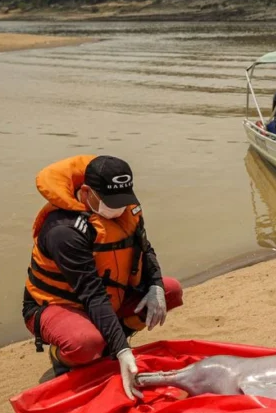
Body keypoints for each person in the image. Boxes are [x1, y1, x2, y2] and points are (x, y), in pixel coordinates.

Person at [22, 155, 184, 400]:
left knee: (170, 290)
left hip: (111, 297)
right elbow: (92, 294)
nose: (118, 208)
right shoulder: (63, 231)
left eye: (123, 200)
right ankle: (61, 355)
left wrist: (156, 286)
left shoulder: (129, 210)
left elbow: (145, 249)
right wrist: (123, 351)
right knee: (85, 343)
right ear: (87, 192)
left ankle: (108, 342)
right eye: (110, 201)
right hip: (61, 305)